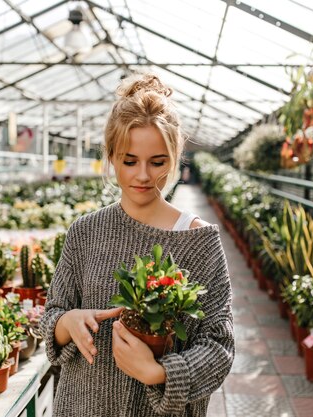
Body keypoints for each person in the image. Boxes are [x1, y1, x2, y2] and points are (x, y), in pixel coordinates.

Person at [40, 73, 234, 417]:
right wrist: (67, 322)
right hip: (82, 407)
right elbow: (53, 314)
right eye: (129, 161)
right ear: (112, 158)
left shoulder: (198, 241)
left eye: (157, 162)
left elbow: (219, 346)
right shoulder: (85, 232)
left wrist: (158, 372)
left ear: (174, 158)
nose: (143, 175)